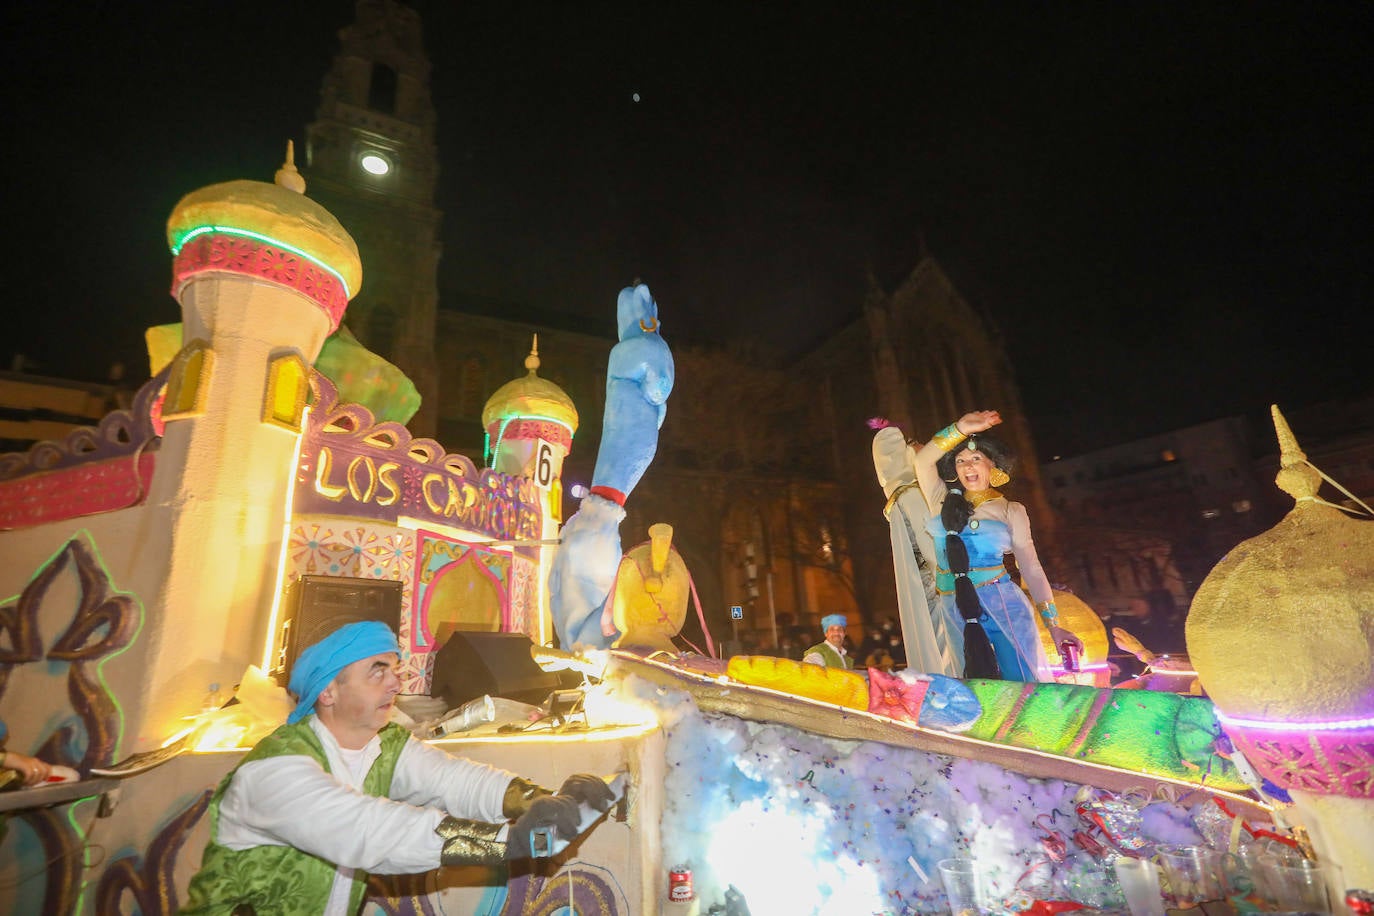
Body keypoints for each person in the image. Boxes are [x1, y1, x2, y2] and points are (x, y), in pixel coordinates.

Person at [183, 621, 615, 916]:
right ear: (328, 691)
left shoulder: (385, 744)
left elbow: (456, 781)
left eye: (393, 669)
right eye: (377, 671)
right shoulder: (273, 772)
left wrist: (540, 799)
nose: (396, 682)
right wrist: (509, 841)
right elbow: (371, 831)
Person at [911, 410, 1082, 681]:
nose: (968, 466)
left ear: (992, 466)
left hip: (1003, 605)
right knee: (973, 687)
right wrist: (960, 428)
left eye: (976, 459)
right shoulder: (941, 501)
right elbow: (922, 461)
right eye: (961, 460)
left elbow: (1031, 568)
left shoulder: (1011, 510)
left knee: (1020, 683)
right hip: (955, 606)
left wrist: (1054, 625)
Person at [870, 419, 960, 676]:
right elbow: (934, 554)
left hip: (932, 594)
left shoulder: (899, 500)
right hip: (943, 592)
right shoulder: (912, 495)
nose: (924, 447)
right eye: (916, 445)